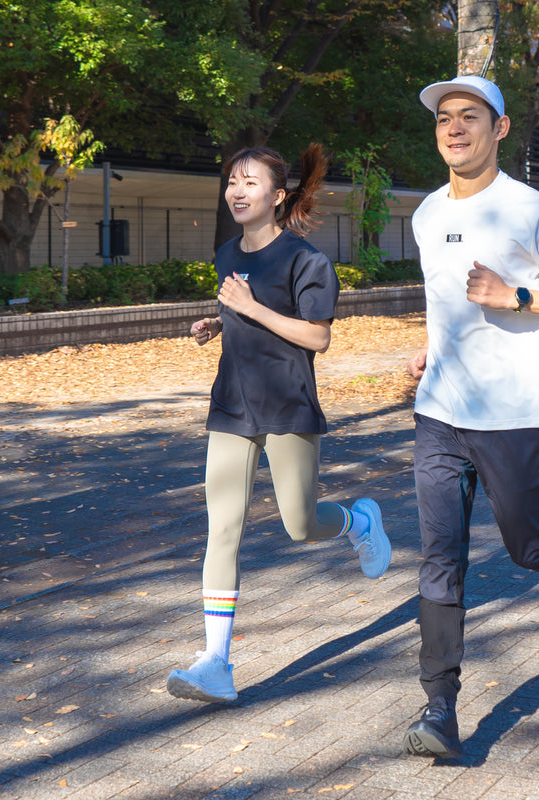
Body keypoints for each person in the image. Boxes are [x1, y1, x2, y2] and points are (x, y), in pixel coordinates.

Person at [401, 76, 539, 757]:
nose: (454, 129)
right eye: (444, 120)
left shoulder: (535, 210)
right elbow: (447, 304)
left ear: (501, 128)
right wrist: (430, 347)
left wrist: (516, 295)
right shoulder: (427, 214)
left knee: (527, 545)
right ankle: (438, 709)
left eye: (469, 117)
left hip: (512, 413)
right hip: (438, 415)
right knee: (440, 559)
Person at [166, 143, 392, 704]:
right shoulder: (226, 254)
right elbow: (243, 311)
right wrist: (217, 324)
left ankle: (359, 523)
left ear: (277, 195)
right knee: (223, 527)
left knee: (300, 524)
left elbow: (317, 336)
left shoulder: (306, 261)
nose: (237, 191)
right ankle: (216, 663)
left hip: (288, 405)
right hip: (233, 405)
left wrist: (251, 309)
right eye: (231, 182)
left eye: (250, 183)